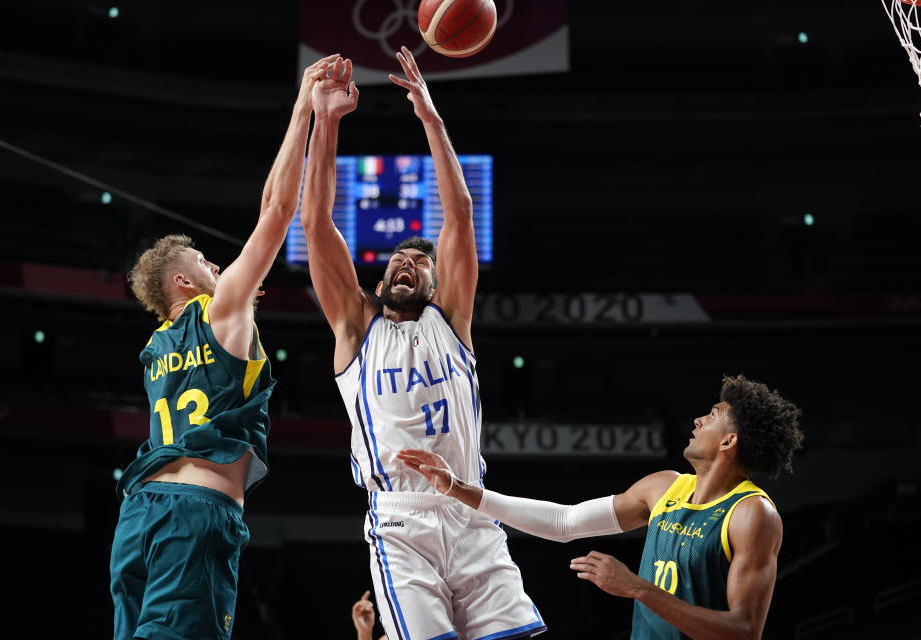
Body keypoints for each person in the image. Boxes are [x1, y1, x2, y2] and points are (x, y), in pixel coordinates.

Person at [300, 47, 546, 640]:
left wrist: (432, 120)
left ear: (437, 285)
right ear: (380, 279)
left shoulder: (451, 321)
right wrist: (326, 123)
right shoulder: (356, 329)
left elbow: (459, 214)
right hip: (401, 522)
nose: (407, 262)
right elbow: (314, 221)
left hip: (471, 510)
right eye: (398, 259)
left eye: (420, 261)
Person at [108, 53, 340, 640]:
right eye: (206, 262)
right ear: (183, 283)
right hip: (195, 513)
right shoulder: (222, 310)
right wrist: (302, 109)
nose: (221, 266)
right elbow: (277, 210)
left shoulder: (156, 344)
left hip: (139, 515)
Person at [397, 375, 804, 640]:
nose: (699, 420)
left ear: (729, 442)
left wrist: (636, 588)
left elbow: (744, 630)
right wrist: (460, 490)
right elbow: (564, 520)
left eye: (713, 415)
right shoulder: (664, 487)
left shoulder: (753, 514)